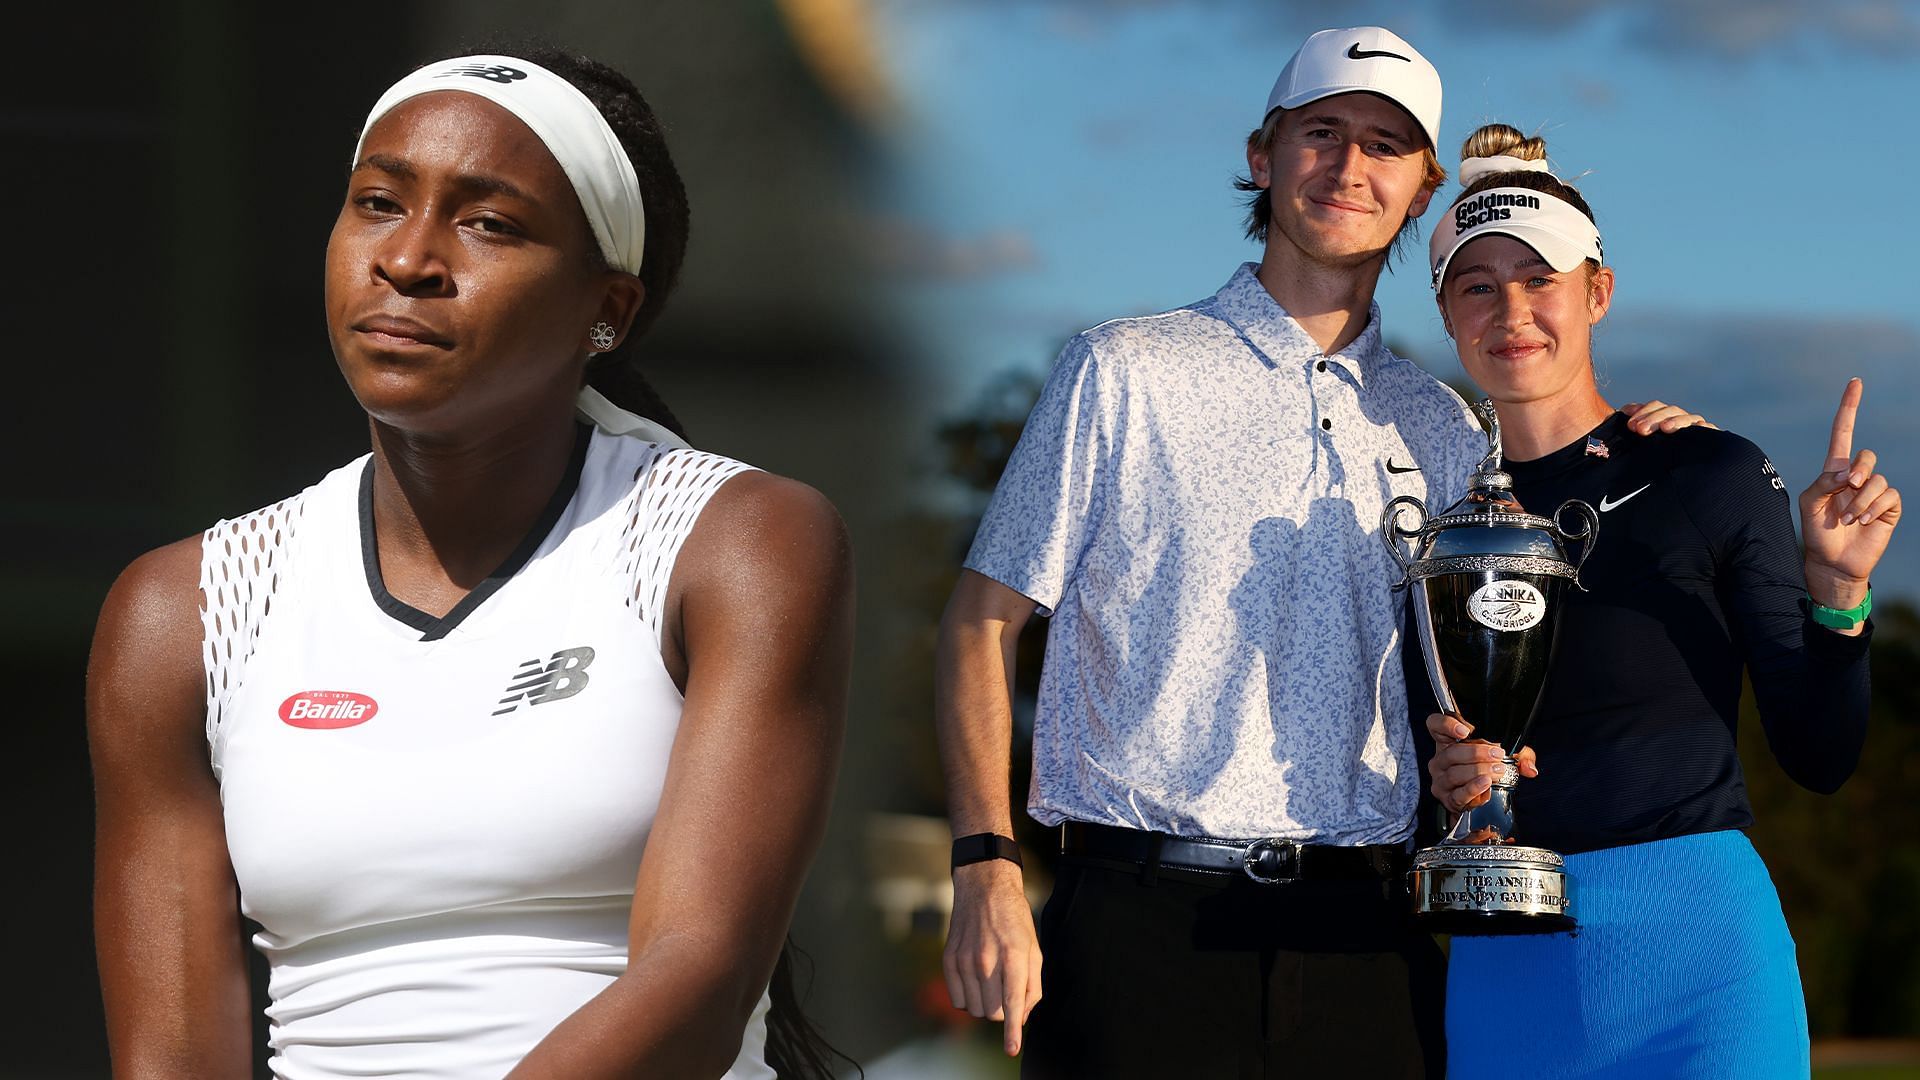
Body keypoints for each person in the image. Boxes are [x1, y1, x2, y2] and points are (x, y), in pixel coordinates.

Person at [934, 26, 1705, 1078]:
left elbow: (1466, 666)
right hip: (1139, 927)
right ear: (1264, 155)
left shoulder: (1443, 428)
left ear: (1423, 188)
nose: (1350, 167)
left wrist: (1654, 440)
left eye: (1386, 145)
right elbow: (981, 623)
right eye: (1323, 133)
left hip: (1367, 939)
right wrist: (983, 865)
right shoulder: (1121, 369)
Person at [85, 48, 854, 1079]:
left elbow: (698, 975)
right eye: (376, 203)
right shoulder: (179, 611)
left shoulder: (739, 541)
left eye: (487, 222)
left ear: (608, 312)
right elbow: (172, 1057)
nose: (407, 259)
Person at [1421, 123, 1899, 1078]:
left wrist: (1840, 594)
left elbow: (1820, 755)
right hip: (1506, 973)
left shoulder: (1707, 471)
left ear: (1597, 291)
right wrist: (1442, 783)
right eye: (1478, 284)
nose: (1511, 309)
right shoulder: (1427, 517)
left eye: (1541, 278)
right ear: (1447, 312)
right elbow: (1413, 763)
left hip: (1700, 960)